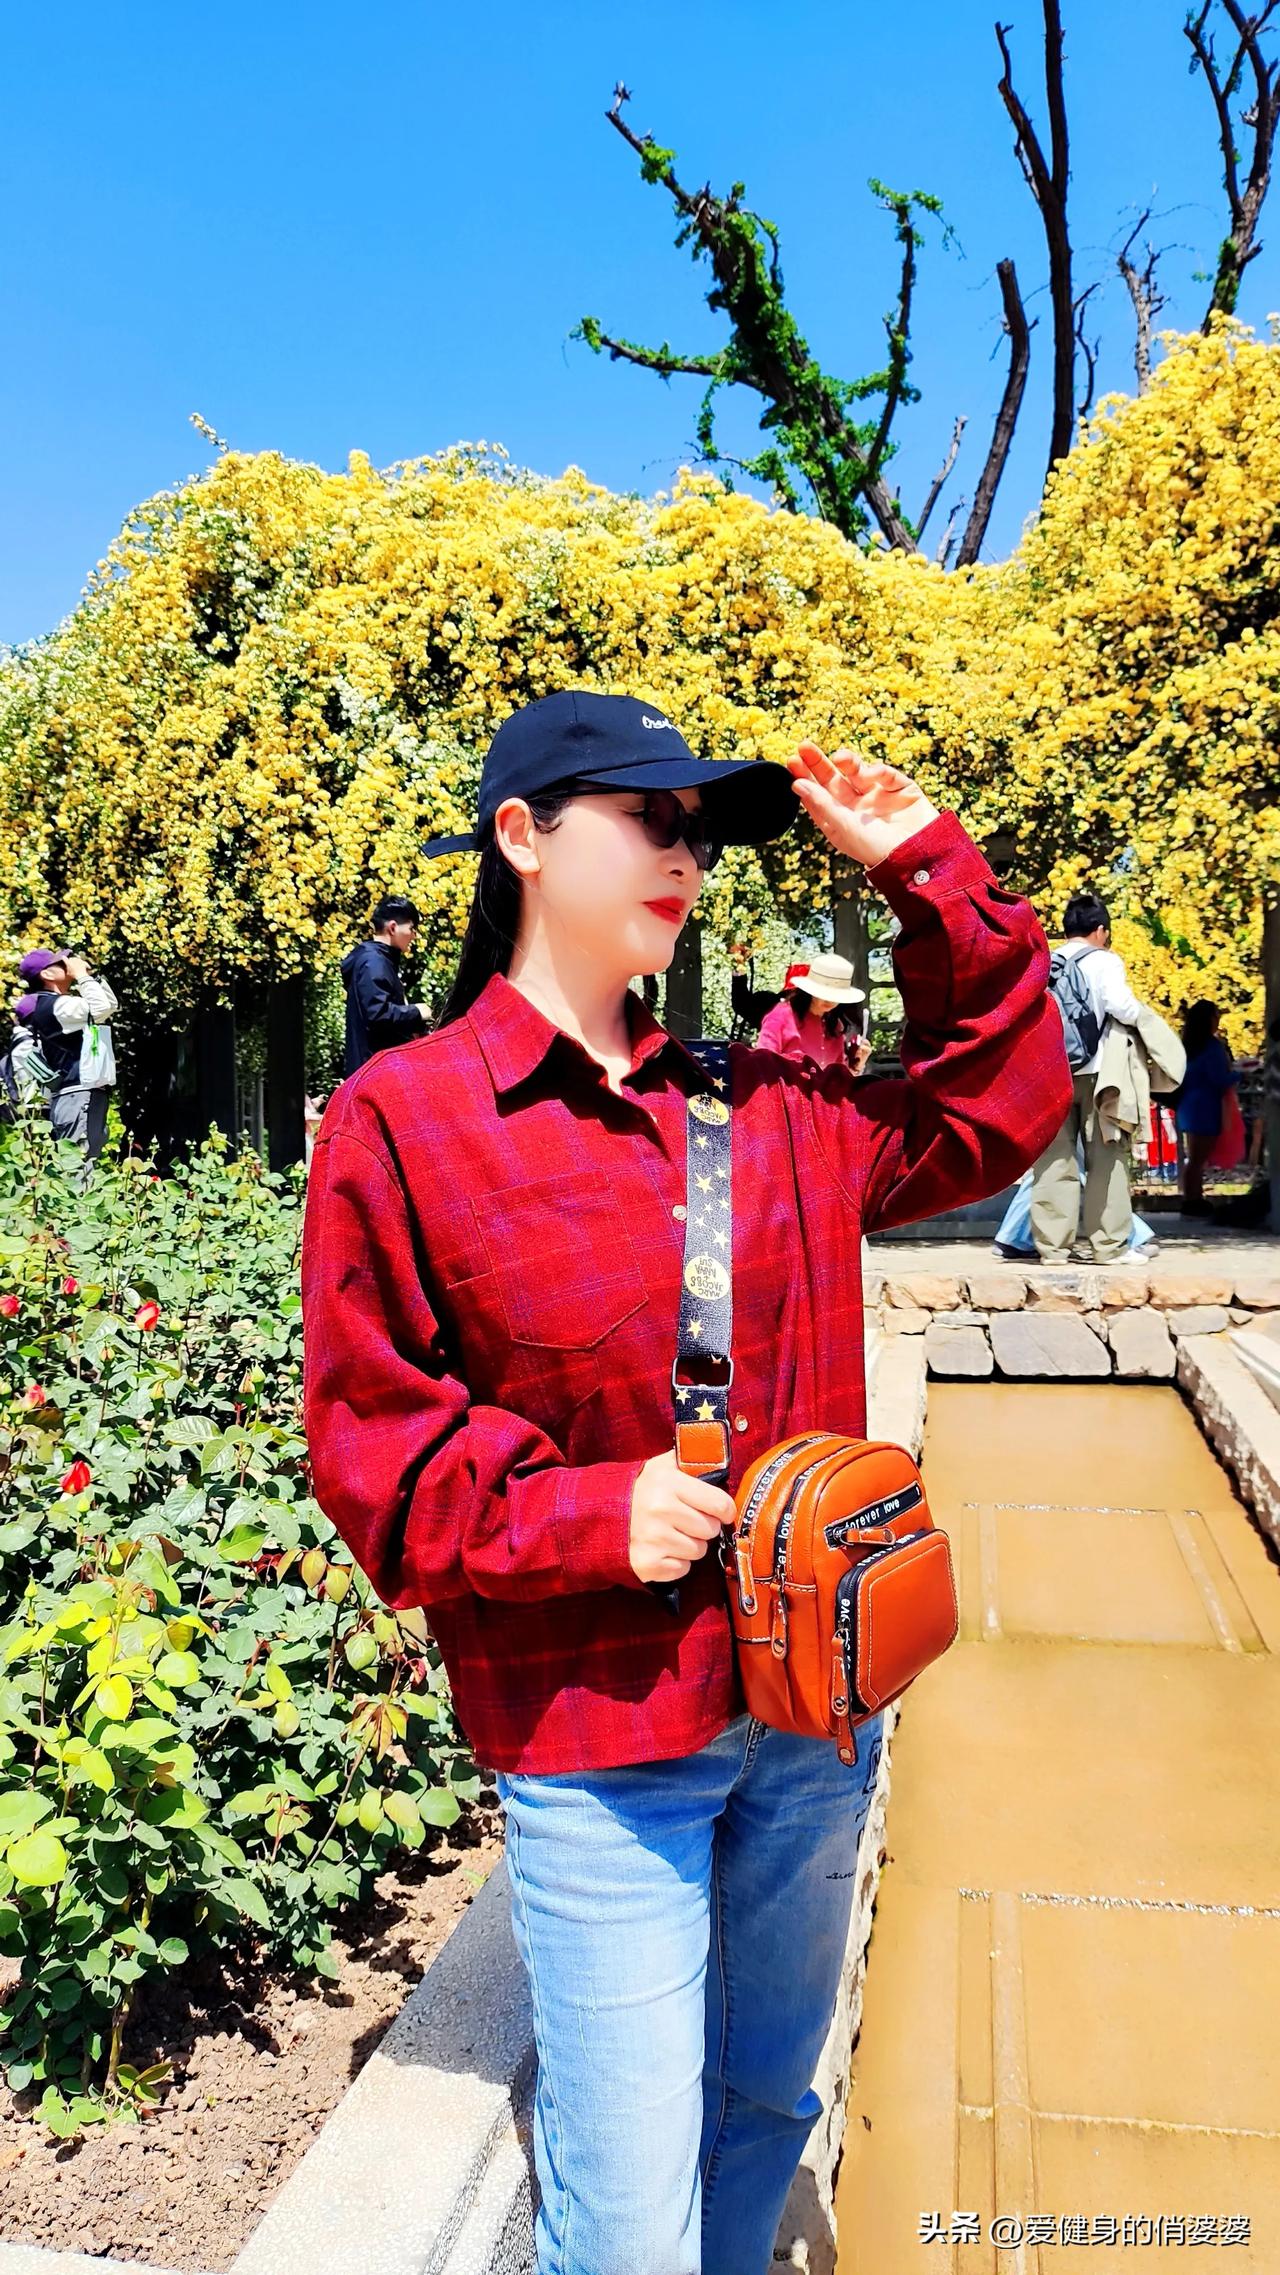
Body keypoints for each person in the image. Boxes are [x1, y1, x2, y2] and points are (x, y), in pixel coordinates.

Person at [301, 688, 1071, 2275]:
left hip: (813, 1715)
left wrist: (925, 866)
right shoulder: (408, 1115)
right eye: (649, 816)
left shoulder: (772, 1105)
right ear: (522, 836)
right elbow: (375, 1444)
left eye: (700, 830)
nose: (686, 854)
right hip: (602, 1747)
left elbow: (997, 1107)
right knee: (628, 2225)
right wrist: (598, 1510)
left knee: (765, 2106)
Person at [1029, 893, 1150, 1265]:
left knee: (1053, 1162)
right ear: (1101, 930)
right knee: (1107, 1159)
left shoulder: (1045, 962)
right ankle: (1108, 1247)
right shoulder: (1105, 961)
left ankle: (1052, 1249)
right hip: (1101, 1075)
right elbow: (1121, 1006)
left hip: (1051, 1076)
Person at [13, 948, 119, 1166]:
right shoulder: (54, 1006)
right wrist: (81, 976)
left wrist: (91, 977)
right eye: (61, 963)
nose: (69, 963)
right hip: (76, 1095)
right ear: (47, 974)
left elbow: (109, 1005)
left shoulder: (59, 1003)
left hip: (82, 1094)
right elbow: (100, 1007)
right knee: (79, 1169)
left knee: (85, 1166)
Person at [340, 895, 430, 1077]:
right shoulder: (374, 961)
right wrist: (417, 1012)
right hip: (375, 1073)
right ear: (393, 928)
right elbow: (377, 1014)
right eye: (411, 928)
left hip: (376, 1070)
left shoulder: (377, 960)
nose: (414, 935)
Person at [758, 952, 871, 1073]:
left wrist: (857, 1064)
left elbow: (838, 1079)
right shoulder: (781, 1016)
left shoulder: (835, 1026)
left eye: (836, 995)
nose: (830, 999)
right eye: (825, 993)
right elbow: (762, 1064)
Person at [1177, 1001, 1239, 1215]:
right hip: (1205, 1107)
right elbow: (1218, 1079)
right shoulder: (1212, 1047)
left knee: (1194, 1157)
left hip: (1189, 1104)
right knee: (1198, 1158)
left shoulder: (1188, 1046)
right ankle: (1192, 1200)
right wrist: (1239, 1074)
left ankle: (1192, 1197)